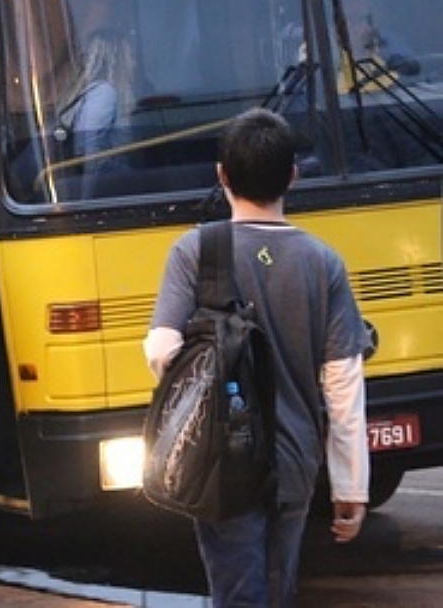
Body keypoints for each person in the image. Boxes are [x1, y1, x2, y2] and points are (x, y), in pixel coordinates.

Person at [143, 108, 371, 607]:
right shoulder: (323, 262)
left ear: (221, 174)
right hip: (296, 457)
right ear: (294, 174)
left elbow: (161, 350)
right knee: (279, 585)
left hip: (223, 458)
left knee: (237, 591)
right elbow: (343, 382)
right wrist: (351, 486)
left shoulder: (195, 250)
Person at [53, 28, 135, 198]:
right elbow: (91, 155)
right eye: (131, 56)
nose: (134, 63)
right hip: (104, 192)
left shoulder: (101, 93)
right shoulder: (104, 93)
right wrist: (87, 198)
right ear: (115, 59)